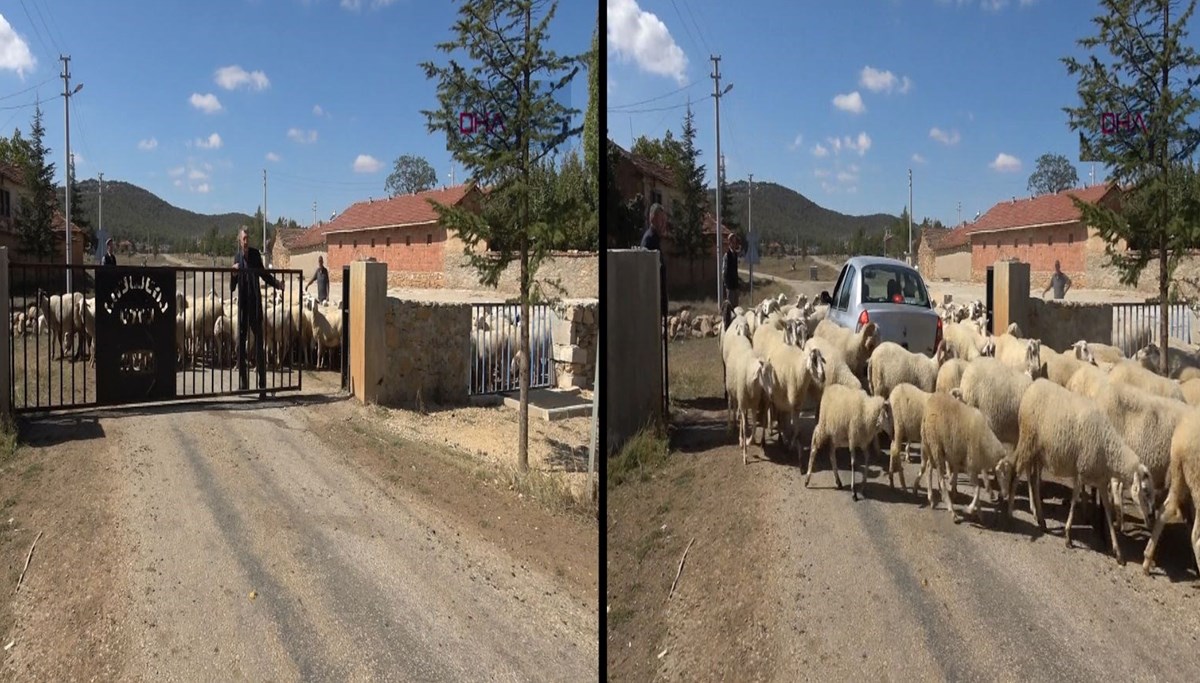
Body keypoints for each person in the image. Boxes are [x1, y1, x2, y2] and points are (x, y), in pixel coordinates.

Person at [230, 227, 284, 397]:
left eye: (247, 238)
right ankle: (243, 384)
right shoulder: (237, 258)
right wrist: (233, 274)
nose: (246, 241)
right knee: (240, 345)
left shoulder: (254, 255)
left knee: (259, 345)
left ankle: (262, 387)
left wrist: (277, 284)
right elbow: (232, 288)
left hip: (255, 305)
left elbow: (263, 274)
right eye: (243, 239)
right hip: (243, 307)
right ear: (239, 240)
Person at [640, 203, 668, 319]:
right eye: (661, 220)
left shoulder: (655, 239)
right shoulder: (649, 240)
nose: (663, 224)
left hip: (658, 299)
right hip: (651, 302)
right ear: (653, 218)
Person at [723, 234, 740, 316]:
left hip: (735, 283)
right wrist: (726, 283)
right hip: (729, 284)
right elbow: (724, 270)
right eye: (732, 242)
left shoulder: (735, 255)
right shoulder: (727, 255)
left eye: (735, 242)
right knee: (730, 306)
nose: (734, 244)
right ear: (729, 243)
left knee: (736, 306)